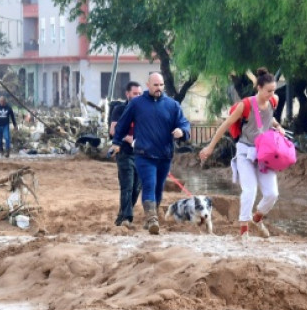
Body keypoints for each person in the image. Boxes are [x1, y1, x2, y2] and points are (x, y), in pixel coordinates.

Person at [199, 68, 286, 239]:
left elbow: (269, 118)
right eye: (269, 90)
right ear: (259, 88)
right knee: (250, 190)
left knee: (272, 194)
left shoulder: (273, 101)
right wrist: (210, 148)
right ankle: (244, 231)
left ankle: (257, 218)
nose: (272, 94)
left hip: (265, 155)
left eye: (274, 90)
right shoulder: (245, 105)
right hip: (245, 153)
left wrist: (278, 126)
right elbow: (224, 125)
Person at [113, 72, 191, 235]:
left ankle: (150, 217)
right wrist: (116, 142)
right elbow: (123, 124)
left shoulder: (172, 105)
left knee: (157, 188)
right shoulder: (137, 104)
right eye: (155, 85)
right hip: (143, 154)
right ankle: (153, 219)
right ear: (148, 85)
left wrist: (181, 131)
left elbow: (184, 123)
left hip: (164, 154)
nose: (159, 88)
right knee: (149, 183)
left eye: (161, 85)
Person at [110, 81, 142, 227]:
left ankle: (121, 216)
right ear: (127, 94)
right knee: (127, 185)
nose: (138, 96)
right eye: (135, 93)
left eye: (140, 94)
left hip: (141, 154)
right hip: (124, 152)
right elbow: (113, 131)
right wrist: (127, 138)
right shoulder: (119, 109)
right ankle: (127, 219)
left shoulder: (144, 111)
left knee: (136, 188)